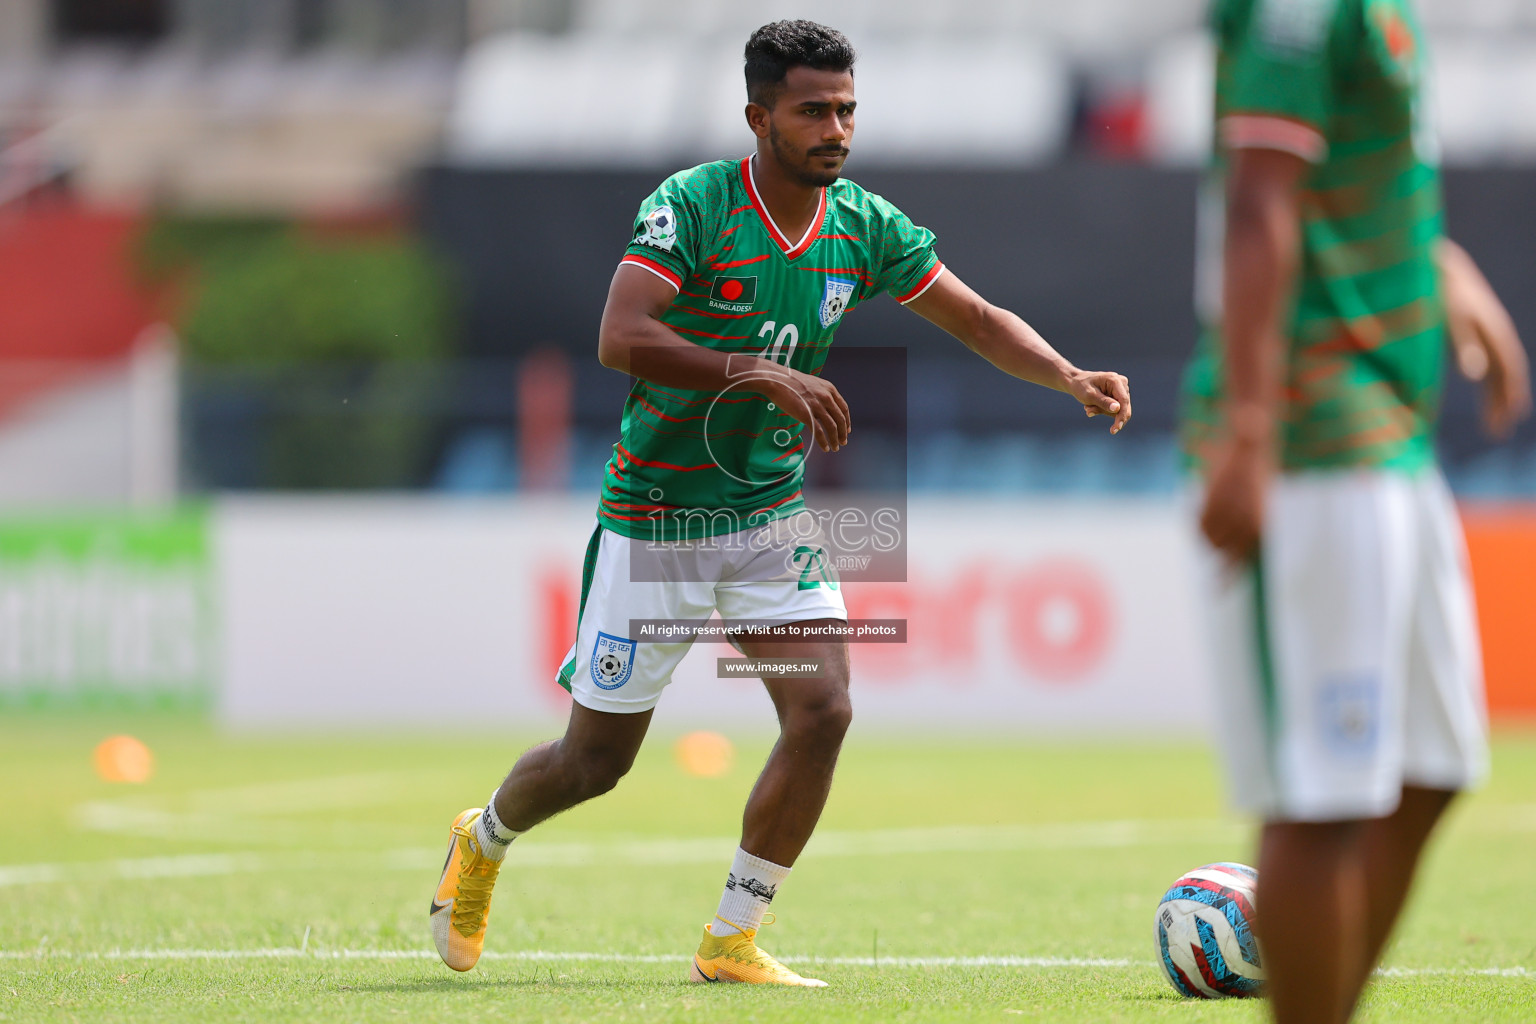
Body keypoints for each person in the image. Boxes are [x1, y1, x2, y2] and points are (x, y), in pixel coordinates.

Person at [430, 19, 1132, 987]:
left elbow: (971, 314)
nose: (836, 128)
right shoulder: (695, 205)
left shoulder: (863, 225)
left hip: (770, 523)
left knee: (824, 710)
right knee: (593, 763)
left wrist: (1066, 374)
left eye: (847, 109)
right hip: (660, 520)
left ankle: (732, 935)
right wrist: (752, 370)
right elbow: (618, 333)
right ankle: (488, 835)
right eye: (814, 111)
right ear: (759, 116)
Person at [1182, 0, 1531, 1020]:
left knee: (1433, 768)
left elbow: (1359, 178)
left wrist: (1443, 271)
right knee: (1324, 797)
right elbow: (1256, 201)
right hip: (1309, 437)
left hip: (1392, 434)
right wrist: (1248, 432)